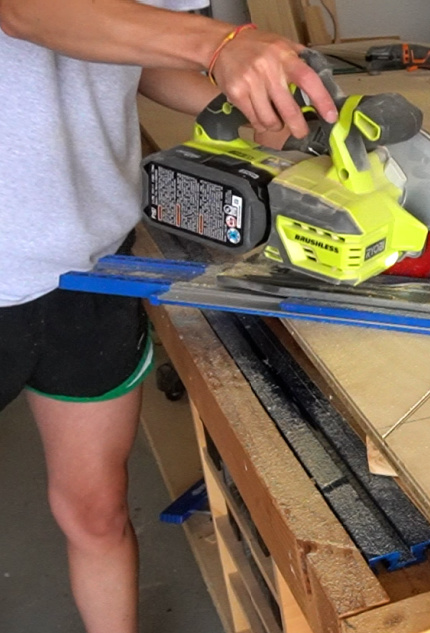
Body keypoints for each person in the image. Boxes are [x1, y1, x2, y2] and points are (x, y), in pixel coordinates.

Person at [0, 1, 337, 631]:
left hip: (92, 259)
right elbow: (24, 11)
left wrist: (264, 110)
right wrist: (221, 45)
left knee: (97, 511)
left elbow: (138, 59)